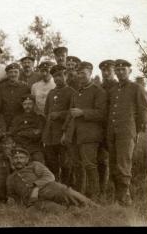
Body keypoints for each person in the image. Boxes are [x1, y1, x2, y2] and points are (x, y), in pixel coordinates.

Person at [107, 59, 147, 206]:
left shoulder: (136, 88)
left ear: (129, 71)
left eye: (123, 69)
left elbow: (144, 110)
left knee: (123, 164)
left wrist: (135, 130)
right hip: (112, 133)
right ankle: (117, 196)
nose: (120, 72)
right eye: (117, 70)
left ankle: (125, 198)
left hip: (126, 132)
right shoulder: (113, 90)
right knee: (113, 163)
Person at [62, 61, 107, 200]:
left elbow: (102, 114)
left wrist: (83, 112)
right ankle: (80, 195)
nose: (81, 76)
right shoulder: (77, 92)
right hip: (74, 135)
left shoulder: (98, 91)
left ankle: (95, 196)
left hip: (89, 136)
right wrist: (65, 132)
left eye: (84, 73)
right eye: (79, 73)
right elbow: (70, 114)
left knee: (90, 165)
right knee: (76, 165)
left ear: (91, 74)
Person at [6, 147, 98, 208]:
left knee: (67, 193)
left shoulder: (34, 165)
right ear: (12, 160)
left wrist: (36, 187)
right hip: (33, 200)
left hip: (49, 188)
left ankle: (93, 206)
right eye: (16, 158)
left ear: (26, 159)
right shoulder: (10, 178)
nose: (18, 160)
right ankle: (74, 211)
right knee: (54, 210)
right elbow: (13, 196)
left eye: (21, 158)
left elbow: (49, 176)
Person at [43, 65, 76, 186]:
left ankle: (68, 188)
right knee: (52, 163)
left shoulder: (71, 92)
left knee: (66, 164)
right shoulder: (51, 93)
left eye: (60, 75)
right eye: (55, 76)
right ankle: (54, 188)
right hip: (50, 135)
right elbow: (46, 112)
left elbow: (73, 112)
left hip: (63, 134)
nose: (57, 78)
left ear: (66, 76)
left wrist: (60, 114)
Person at [98, 59, 117, 197]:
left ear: (113, 71)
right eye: (103, 71)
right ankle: (102, 190)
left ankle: (118, 192)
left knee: (117, 161)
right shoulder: (100, 87)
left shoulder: (119, 86)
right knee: (102, 160)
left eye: (108, 70)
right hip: (101, 129)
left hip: (116, 129)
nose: (105, 73)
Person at [9, 94, 46, 164]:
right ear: (22, 105)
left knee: (38, 160)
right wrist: (30, 132)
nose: (27, 106)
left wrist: (21, 133)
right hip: (20, 146)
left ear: (34, 105)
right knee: (15, 161)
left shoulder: (39, 118)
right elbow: (13, 132)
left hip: (34, 147)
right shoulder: (17, 118)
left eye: (30, 104)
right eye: (25, 104)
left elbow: (38, 135)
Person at [0, 63, 31, 127]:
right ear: (7, 74)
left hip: (20, 120)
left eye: (16, 72)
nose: (13, 74)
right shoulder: (1, 87)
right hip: (4, 119)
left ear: (19, 73)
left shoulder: (25, 87)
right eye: (10, 72)